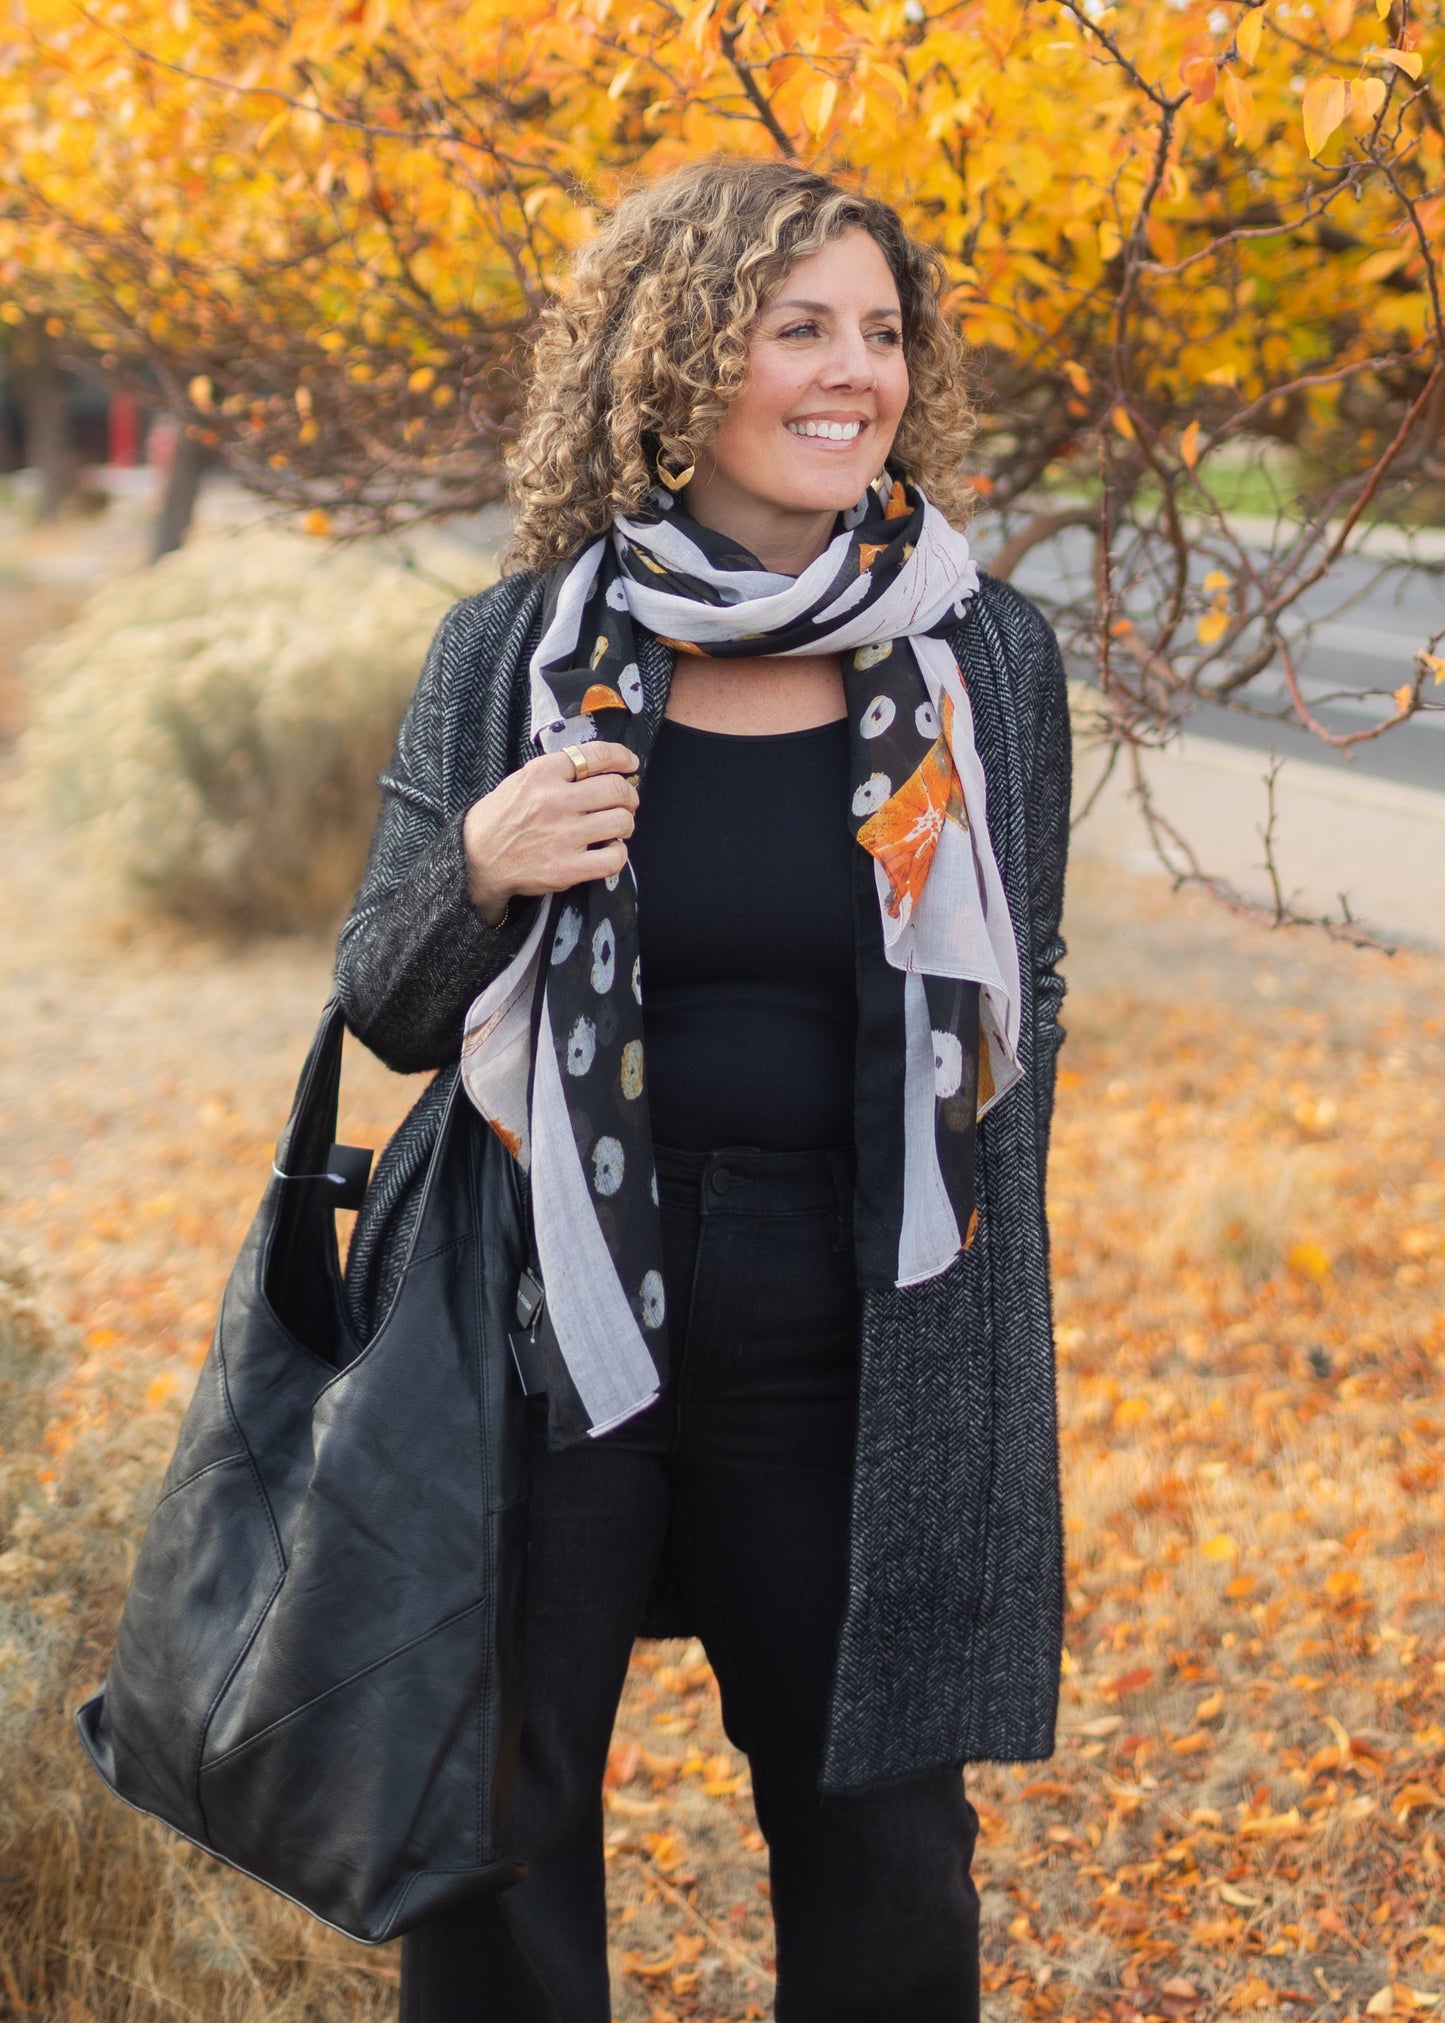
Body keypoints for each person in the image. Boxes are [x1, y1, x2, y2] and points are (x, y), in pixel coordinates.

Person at [336, 155, 1071, 2023]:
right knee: (497, 1822)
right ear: (675, 365)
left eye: (881, 332)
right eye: (795, 326)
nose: (854, 373)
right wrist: (482, 865)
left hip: (858, 1309)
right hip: (546, 1303)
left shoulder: (977, 655)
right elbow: (390, 1013)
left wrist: (975, 1344)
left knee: (882, 1836)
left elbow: (1018, 1020)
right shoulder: (516, 651)